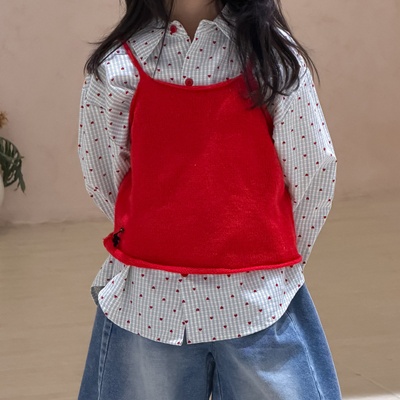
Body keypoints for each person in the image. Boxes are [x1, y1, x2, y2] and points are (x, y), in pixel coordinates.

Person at [77, 0, 342, 398]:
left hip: (257, 302)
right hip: (150, 306)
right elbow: (103, 175)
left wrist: (271, 263)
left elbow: (313, 172)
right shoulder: (116, 68)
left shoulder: (272, 56)